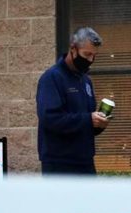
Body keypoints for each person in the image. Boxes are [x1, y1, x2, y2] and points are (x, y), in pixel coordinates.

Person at [36, 27, 109, 175]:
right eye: (87, 54)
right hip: (60, 163)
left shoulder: (86, 81)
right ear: (73, 49)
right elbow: (50, 119)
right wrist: (88, 119)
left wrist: (99, 124)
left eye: (94, 56)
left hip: (85, 161)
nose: (90, 60)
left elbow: (85, 123)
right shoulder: (52, 78)